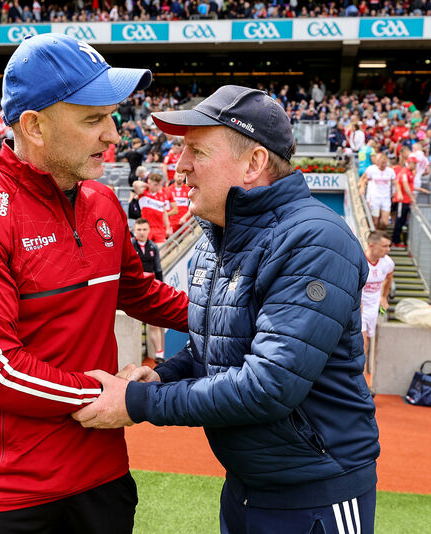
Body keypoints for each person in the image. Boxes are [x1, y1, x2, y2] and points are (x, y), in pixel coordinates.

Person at [73, 86, 379, 534]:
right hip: (246, 486)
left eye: (196, 149)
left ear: (254, 163)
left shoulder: (315, 239)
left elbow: (269, 385)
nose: (180, 165)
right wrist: (158, 376)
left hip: (315, 492)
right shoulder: (215, 242)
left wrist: (138, 402)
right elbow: (213, 351)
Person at [0, 34, 188, 533]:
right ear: (34, 125)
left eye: (111, 115)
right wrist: (108, 393)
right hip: (6, 492)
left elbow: (140, 293)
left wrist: (226, 312)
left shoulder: (103, 201)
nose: (113, 134)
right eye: (93, 119)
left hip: (103, 477)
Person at [132, 218, 166, 363]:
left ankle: (159, 354)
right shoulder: (129, 246)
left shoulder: (153, 247)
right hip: (133, 290)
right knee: (134, 324)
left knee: (154, 323)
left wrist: (160, 291)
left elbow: (158, 270)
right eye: (139, 230)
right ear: (134, 231)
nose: (142, 233)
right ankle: (135, 357)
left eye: (144, 229)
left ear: (149, 230)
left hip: (150, 289)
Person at [361, 230, 394, 371]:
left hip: (375, 308)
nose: (388, 250)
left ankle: (372, 377)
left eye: (389, 246)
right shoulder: (360, 261)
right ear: (371, 245)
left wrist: (383, 296)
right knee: (362, 346)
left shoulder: (388, 263)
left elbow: (389, 277)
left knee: (374, 345)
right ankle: (362, 385)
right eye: (384, 246)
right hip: (360, 308)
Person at [133, 172, 176, 244]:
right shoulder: (143, 193)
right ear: (149, 183)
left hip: (159, 228)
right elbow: (135, 184)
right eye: (155, 185)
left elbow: (164, 214)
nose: (158, 187)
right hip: (146, 228)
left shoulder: (161, 195)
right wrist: (147, 185)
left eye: (159, 185)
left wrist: (168, 228)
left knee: (161, 250)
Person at [359, 153, 394, 230]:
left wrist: (397, 193)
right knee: (375, 222)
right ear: (378, 162)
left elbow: (395, 182)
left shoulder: (390, 171)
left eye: (384, 163)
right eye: (381, 163)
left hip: (386, 198)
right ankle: (376, 236)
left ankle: (380, 233)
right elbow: (363, 179)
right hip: (374, 198)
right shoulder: (371, 169)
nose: (382, 165)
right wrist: (362, 187)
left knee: (385, 222)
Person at [391, 155, 416, 247]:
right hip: (402, 200)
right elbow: (405, 185)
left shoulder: (408, 172)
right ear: (410, 163)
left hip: (406, 200)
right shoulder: (405, 172)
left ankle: (397, 240)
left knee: (401, 221)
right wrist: (412, 197)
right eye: (414, 163)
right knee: (399, 220)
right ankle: (395, 241)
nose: (415, 165)